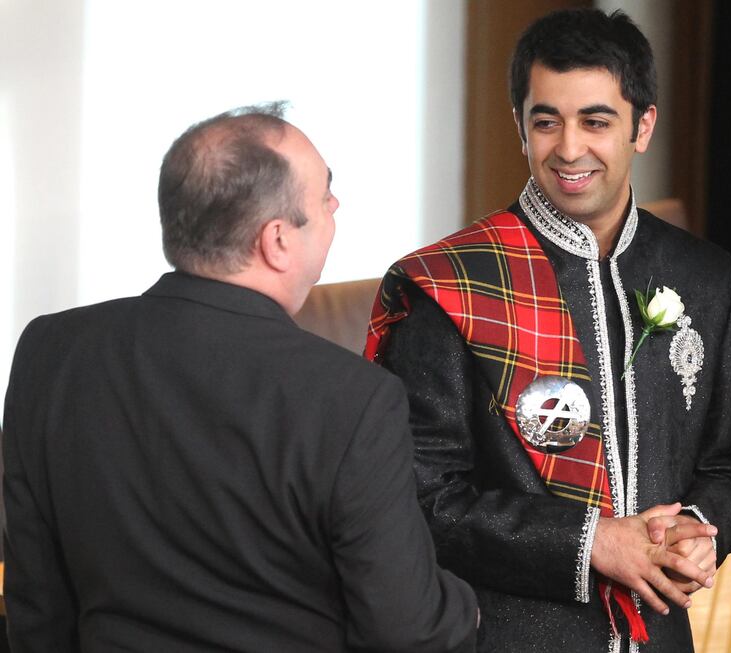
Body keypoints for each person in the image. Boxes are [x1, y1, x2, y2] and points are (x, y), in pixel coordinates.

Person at [2, 105, 478, 652]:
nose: (336, 205)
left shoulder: (50, 350)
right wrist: (478, 605)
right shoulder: (353, 399)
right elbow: (408, 633)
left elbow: (36, 601)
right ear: (276, 241)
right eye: (325, 195)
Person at [366, 9, 731, 653]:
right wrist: (593, 541)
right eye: (546, 121)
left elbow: (727, 465)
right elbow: (419, 499)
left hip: (662, 638)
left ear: (643, 126)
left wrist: (694, 528)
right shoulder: (450, 285)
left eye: (596, 121)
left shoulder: (707, 276)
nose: (569, 148)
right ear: (521, 128)